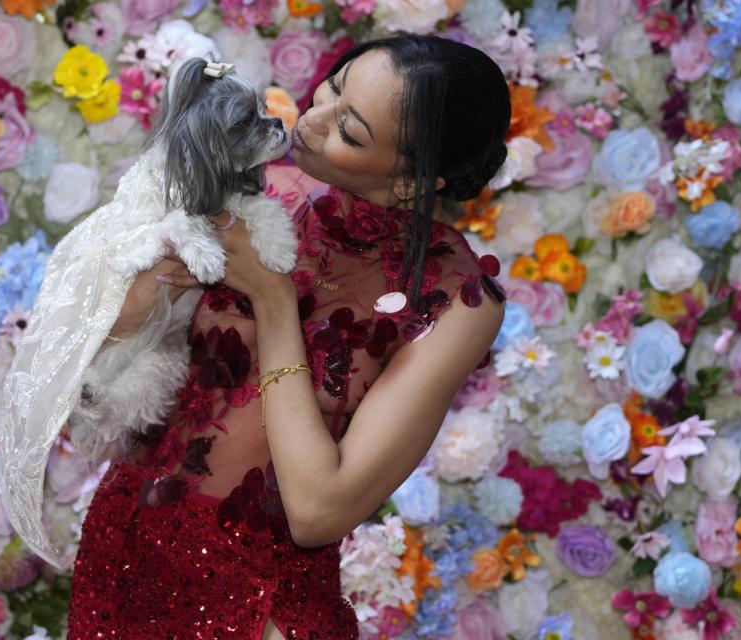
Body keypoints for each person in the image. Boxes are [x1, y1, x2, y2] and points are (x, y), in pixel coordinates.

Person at [66, 34, 511, 640]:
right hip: (122, 550)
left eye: (349, 132)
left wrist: (273, 302)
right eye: (334, 84)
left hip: (261, 605)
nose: (310, 118)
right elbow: (90, 363)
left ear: (412, 182)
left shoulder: (457, 299)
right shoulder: (252, 185)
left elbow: (319, 512)